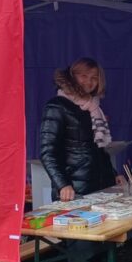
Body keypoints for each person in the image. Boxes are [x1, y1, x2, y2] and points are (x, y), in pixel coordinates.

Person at [40, 57, 125, 201]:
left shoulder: (93, 107)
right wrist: (63, 185)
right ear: (73, 76)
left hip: (100, 187)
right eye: (84, 76)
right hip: (74, 190)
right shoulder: (56, 106)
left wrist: (114, 174)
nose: (89, 81)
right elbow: (48, 153)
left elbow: (99, 150)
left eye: (94, 78)